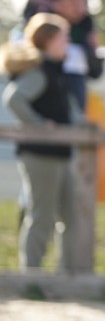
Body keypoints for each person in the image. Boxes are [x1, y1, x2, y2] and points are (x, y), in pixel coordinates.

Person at [2, 14, 78, 272]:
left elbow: (69, 111)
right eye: (63, 37)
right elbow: (14, 99)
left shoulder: (56, 70)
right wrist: (39, 125)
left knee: (71, 216)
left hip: (60, 153)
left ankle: (68, 275)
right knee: (42, 216)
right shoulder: (39, 71)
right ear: (49, 40)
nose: (67, 42)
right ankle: (32, 275)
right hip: (40, 154)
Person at [48, 0, 104, 111]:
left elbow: (95, 73)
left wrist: (93, 50)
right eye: (73, 1)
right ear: (57, 1)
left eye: (82, 1)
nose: (79, 7)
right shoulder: (41, 25)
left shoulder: (86, 27)